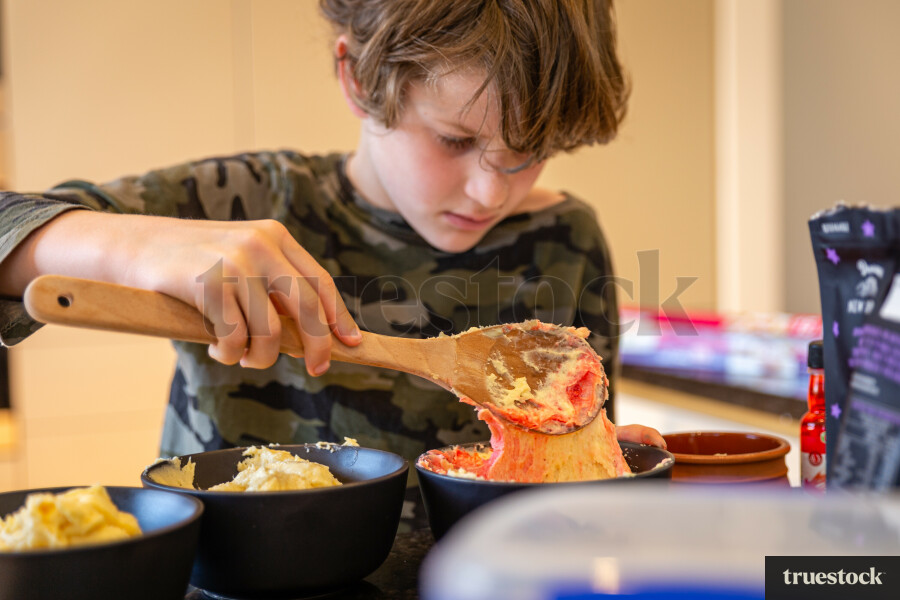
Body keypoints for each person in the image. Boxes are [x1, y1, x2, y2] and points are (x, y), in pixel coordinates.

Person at [0, 0, 664, 527]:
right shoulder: (247, 202)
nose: (491, 190)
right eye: (455, 139)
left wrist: (602, 467)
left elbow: (576, 484)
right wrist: (141, 245)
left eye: (529, 151)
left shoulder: (567, 239)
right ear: (358, 76)